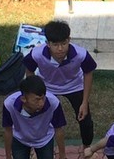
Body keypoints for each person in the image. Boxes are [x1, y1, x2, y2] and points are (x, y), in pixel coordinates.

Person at [24, 19, 98, 151]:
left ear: (69, 39)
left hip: (74, 86)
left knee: (85, 119)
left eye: (64, 43)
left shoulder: (81, 54)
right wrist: (32, 94)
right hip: (47, 87)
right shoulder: (36, 54)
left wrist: (85, 102)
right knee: (41, 118)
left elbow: (88, 73)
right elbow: (29, 71)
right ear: (47, 43)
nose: (60, 49)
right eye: (55, 44)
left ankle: (87, 147)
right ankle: (39, 149)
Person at [3, 76, 67, 159]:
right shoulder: (9, 104)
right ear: (24, 99)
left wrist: (63, 158)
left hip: (44, 139)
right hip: (20, 141)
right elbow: (8, 131)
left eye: (43, 98)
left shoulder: (53, 103)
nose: (41, 102)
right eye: (36, 100)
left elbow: (59, 130)